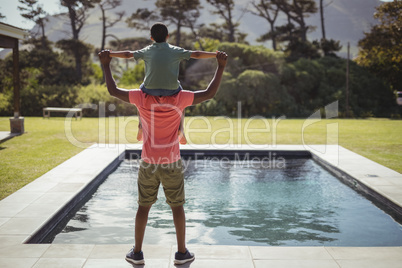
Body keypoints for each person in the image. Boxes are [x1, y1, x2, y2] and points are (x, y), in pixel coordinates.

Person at [98, 49, 228, 265]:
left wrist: (105, 63)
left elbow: (113, 90)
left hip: (148, 162)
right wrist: (221, 67)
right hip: (172, 163)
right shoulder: (180, 98)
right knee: (177, 207)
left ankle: (137, 253)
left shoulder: (141, 97)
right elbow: (208, 93)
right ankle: (181, 253)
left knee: (143, 207)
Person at [109, 22, 217, 144]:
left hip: (149, 89)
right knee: (182, 100)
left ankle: (140, 125)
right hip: (172, 90)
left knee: (138, 96)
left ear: (151, 38)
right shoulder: (175, 50)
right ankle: (180, 128)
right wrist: (215, 55)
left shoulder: (147, 50)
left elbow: (127, 54)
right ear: (168, 36)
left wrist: (110, 54)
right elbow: (196, 54)